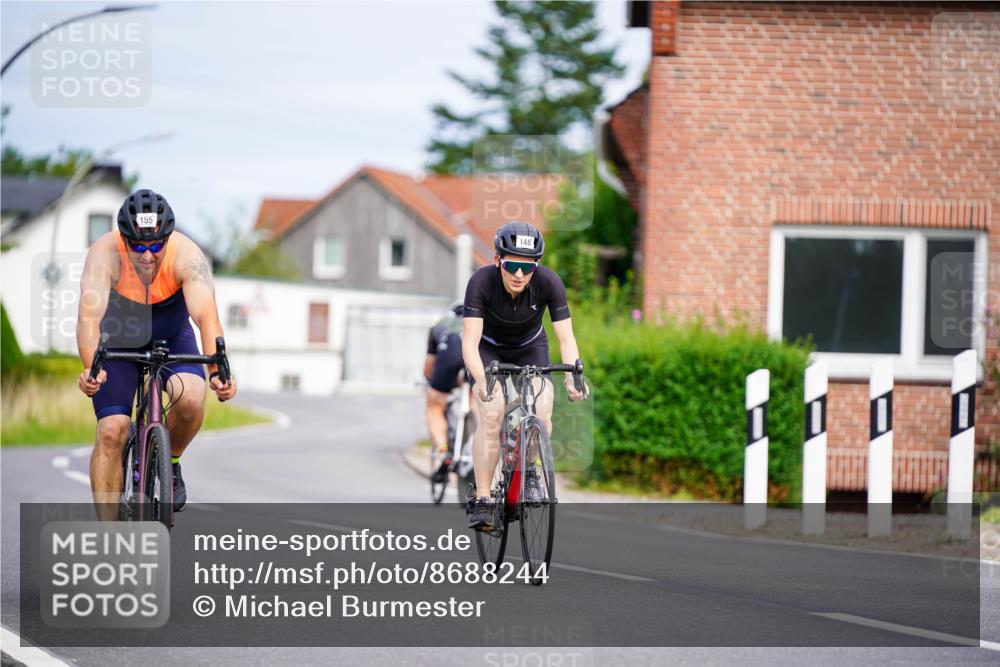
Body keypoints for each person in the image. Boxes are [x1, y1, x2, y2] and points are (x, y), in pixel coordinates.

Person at [76, 189, 236, 519]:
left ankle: (171, 461)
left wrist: (218, 372)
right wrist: (92, 367)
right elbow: (88, 318)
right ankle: (109, 539)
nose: (147, 255)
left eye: (155, 246)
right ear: (124, 239)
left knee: (191, 399)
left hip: (171, 334)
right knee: (111, 431)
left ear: (168, 237)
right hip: (118, 337)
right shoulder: (104, 253)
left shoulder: (187, 255)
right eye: (138, 246)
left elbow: (207, 317)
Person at [461, 221, 586, 531]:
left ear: (537, 266)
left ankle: (530, 471)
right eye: (512, 265)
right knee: (492, 413)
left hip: (531, 348)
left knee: (542, 412)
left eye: (526, 268)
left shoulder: (550, 283)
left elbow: (567, 339)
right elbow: (469, 342)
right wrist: (481, 381)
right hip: (489, 351)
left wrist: (572, 376)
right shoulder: (480, 282)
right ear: (497, 261)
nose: (519, 274)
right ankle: (483, 498)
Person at [424, 300, 466, 482]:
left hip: (449, 350)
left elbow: (428, 369)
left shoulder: (440, 325)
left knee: (434, 406)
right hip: (476, 349)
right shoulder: (480, 319)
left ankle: (443, 452)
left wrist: (435, 385)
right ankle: (474, 444)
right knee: (478, 399)